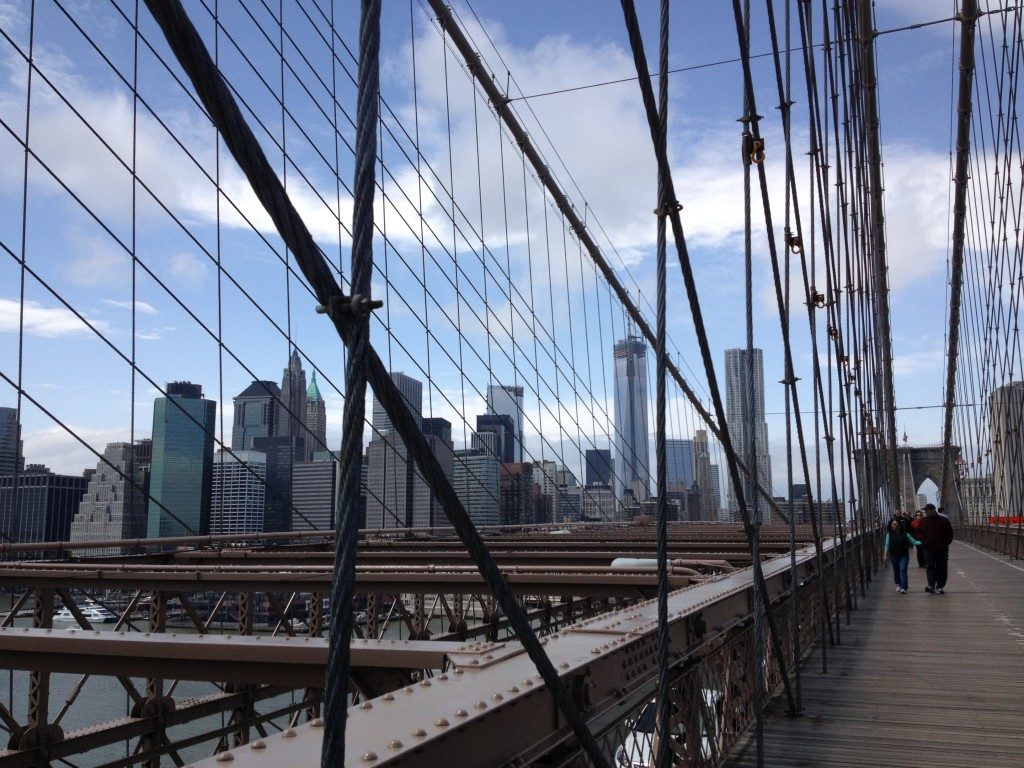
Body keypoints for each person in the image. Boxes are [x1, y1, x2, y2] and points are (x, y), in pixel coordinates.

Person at [917, 503, 954, 594]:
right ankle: (931, 585)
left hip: (942, 548)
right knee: (930, 566)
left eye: (926, 510)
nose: (925, 512)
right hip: (928, 548)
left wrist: (946, 543)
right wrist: (924, 542)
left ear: (932, 510)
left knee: (942, 567)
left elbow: (950, 533)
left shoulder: (944, 520)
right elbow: (918, 533)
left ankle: (940, 586)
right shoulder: (923, 521)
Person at [882, 517, 921, 594]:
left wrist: (924, 542)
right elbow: (887, 545)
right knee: (896, 570)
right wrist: (885, 555)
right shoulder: (889, 535)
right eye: (892, 524)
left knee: (903, 570)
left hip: (904, 555)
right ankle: (898, 584)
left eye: (894, 524)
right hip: (894, 555)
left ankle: (904, 587)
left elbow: (914, 542)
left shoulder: (905, 534)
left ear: (899, 526)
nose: (893, 525)